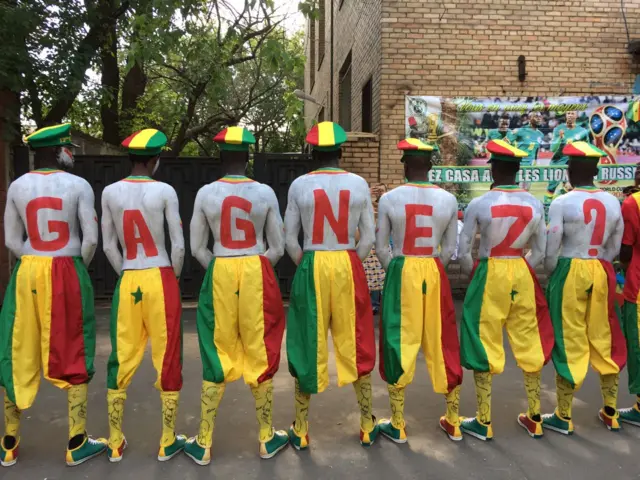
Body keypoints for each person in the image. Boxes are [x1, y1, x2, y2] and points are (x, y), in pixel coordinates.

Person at [0, 123, 106, 467]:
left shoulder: (18, 185)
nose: (71, 153)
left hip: (28, 268)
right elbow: (90, 238)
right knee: (74, 345)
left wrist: (31, 260)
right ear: (61, 152)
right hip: (66, 266)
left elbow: (11, 241)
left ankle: (9, 441)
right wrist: (77, 267)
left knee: (17, 345)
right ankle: (76, 441)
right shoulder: (78, 185)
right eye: (69, 148)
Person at [185, 127, 288, 464]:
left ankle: (204, 441)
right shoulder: (264, 193)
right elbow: (278, 245)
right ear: (248, 157)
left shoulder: (205, 194)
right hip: (256, 267)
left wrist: (219, 267)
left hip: (221, 268)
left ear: (220, 157)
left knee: (217, 348)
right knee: (260, 347)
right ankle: (266, 437)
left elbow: (197, 247)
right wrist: (256, 264)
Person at [285, 121, 377, 449]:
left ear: (312, 152)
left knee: (308, 339)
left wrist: (308, 263)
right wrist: (352, 260)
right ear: (341, 151)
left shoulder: (299, 185)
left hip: (313, 260)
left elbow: (289, 240)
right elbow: (368, 237)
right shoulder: (358, 184)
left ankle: (301, 426)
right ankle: (367, 422)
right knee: (356, 339)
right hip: (347, 261)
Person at [458, 139, 553, 441]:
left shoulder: (479, 204)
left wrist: (475, 273)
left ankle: (484, 420)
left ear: (495, 169)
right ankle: (535, 415)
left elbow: (463, 252)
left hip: (491, 270)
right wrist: (523, 265)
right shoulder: (534, 203)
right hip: (520, 271)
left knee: (483, 339)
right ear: (517, 170)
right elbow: (541, 250)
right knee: (529, 337)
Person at [102, 129, 186, 462]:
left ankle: (114, 441)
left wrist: (124, 273)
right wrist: (173, 277)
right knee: (167, 356)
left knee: (121, 354)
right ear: (154, 161)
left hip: (130, 276)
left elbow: (108, 244)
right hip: (160, 274)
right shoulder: (164, 190)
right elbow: (178, 243)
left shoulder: (110, 192)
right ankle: (167, 440)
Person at [376, 138, 463, 443]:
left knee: (399, 338)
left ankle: (398, 423)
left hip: (402, 266)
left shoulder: (389, 199)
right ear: (430, 166)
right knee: (443, 340)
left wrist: (397, 269)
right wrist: (431, 266)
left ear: (405, 165)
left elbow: (380, 246)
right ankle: (453, 419)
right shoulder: (448, 201)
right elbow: (450, 248)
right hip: (432, 268)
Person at [542, 142, 626, 434]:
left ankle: (564, 414)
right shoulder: (613, 202)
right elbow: (614, 247)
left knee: (568, 336)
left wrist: (554, 274)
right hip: (600, 269)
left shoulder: (562, 202)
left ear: (570, 170)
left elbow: (551, 249)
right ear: (597, 170)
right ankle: (611, 410)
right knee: (604, 333)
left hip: (570, 268)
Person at [615, 162, 640, 427]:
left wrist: (622, 269)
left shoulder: (633, 203)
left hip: (638, 284)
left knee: (637, 342)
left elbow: (626, 249)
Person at [545, 111, 589, 204]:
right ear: (565, 115)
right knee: (551, 188)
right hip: (558, 162)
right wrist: (560, 138)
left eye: (572, 113)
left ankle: (562, 201)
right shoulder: (558, 129)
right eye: (568, 113)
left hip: (573, 163)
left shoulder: (582, 131)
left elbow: (587, 148)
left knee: (571, 187)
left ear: (576, 116)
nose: (569, 115)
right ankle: (547, 207)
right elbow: (552, 148)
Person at [363, 183, 388, 314]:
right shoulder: (368, 205)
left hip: (383, 243)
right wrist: (367, 194)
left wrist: (384, 197)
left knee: (381, 275)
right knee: (368, 275)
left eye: (382, 191)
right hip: (369, 245)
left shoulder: (387, 204)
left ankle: (377, 304)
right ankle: (369, 303)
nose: (379, 193)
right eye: (377, 190)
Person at [507, 112, 545, 190]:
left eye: (540, 116)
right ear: (529, 119)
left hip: (529, 166)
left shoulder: (540, 134)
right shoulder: (520, 131)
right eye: (536, 116)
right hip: (517, 165)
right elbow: (505, 142)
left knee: (526, 190)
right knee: (513, 190)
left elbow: (536, 149)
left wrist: (535, 161)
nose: (539, 118)